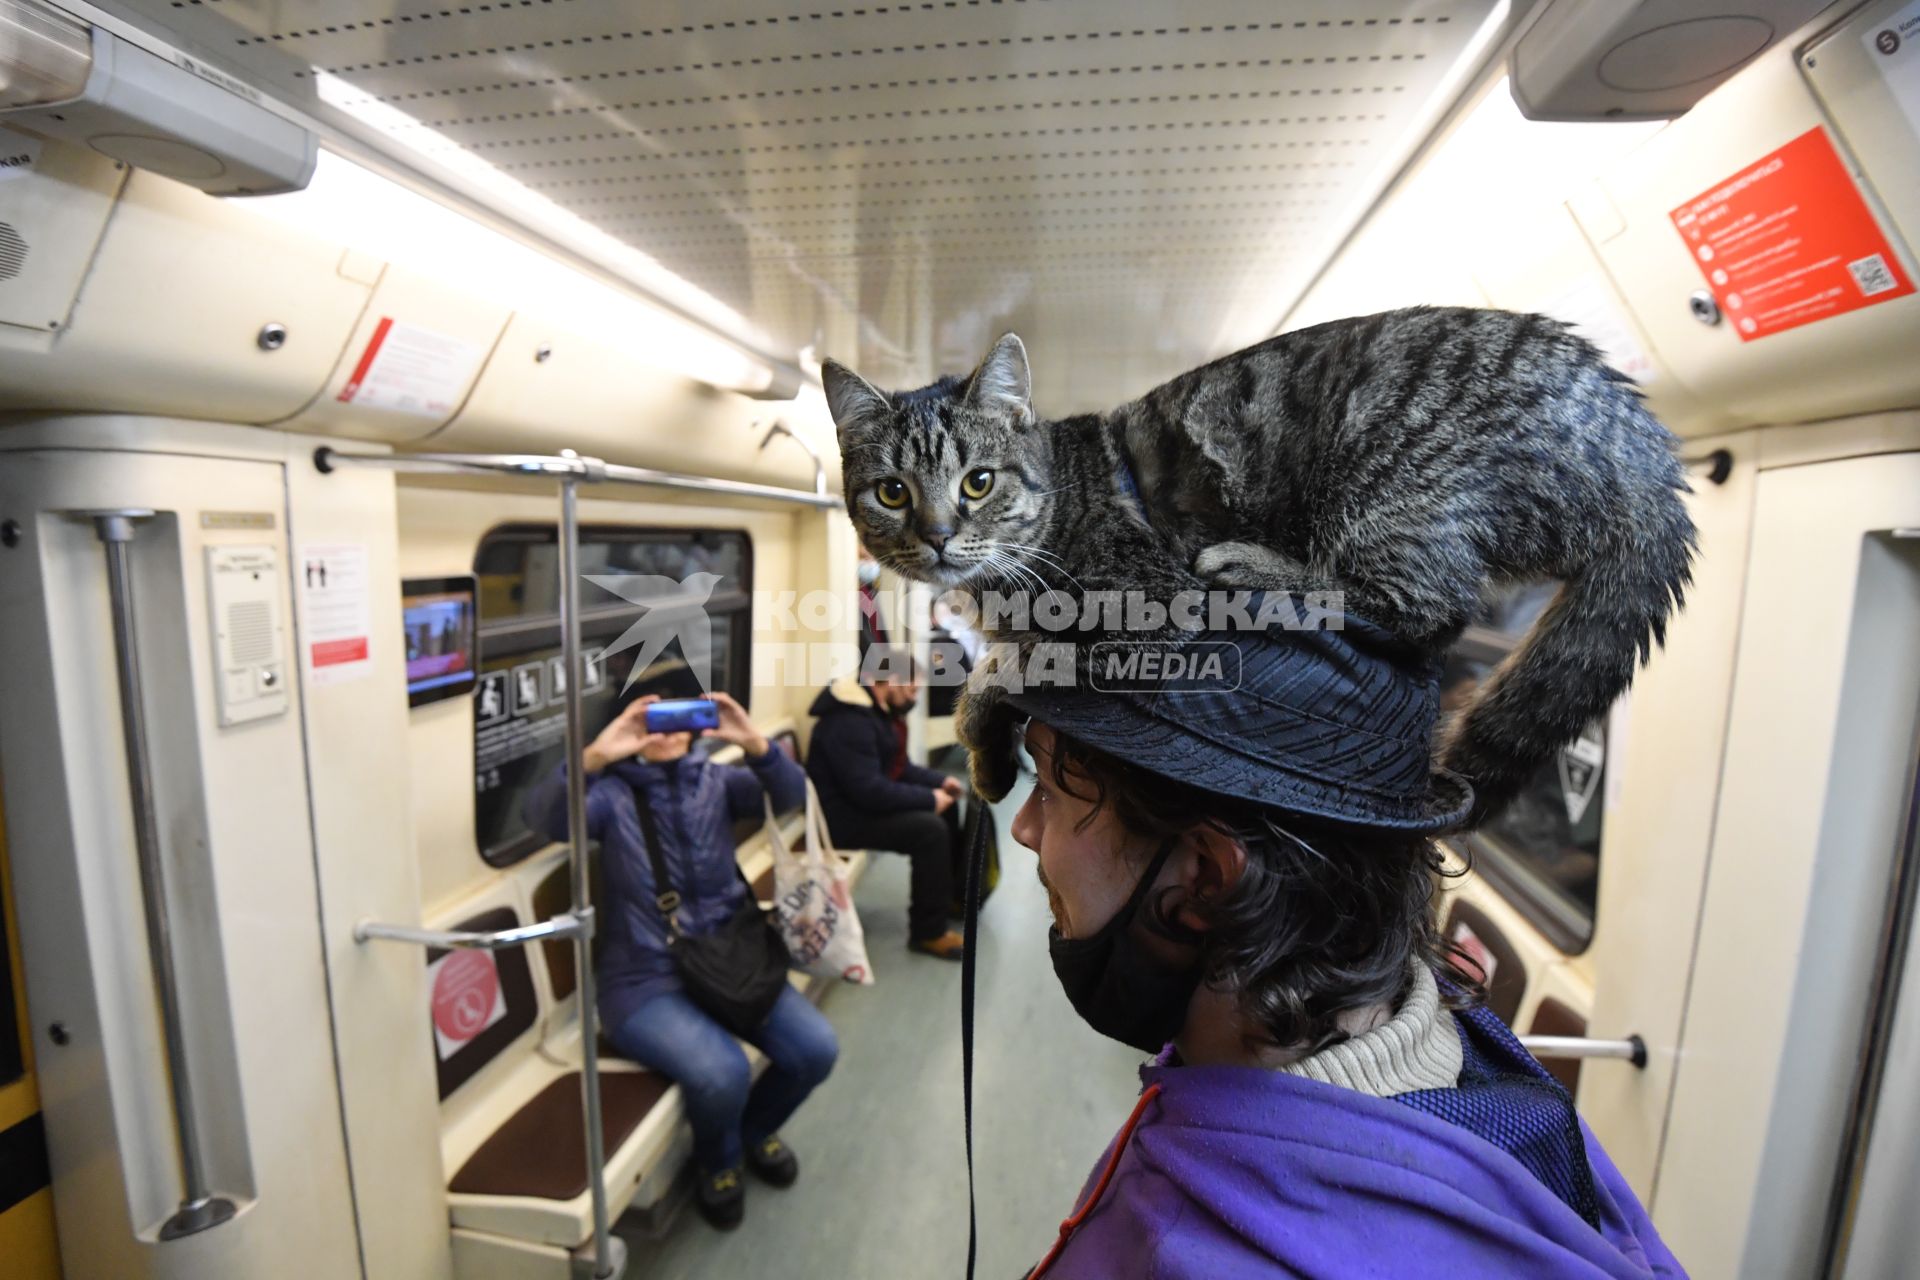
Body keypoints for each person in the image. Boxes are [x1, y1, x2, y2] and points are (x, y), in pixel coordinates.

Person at [984, 611, 1683, 1278]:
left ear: (1202, 878)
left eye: (1047, 788)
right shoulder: (1496, 1083)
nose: (1021, 827)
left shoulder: (1178, 1248)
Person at [524, 691, 838, 1232]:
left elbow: (793, 795)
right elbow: (544, 818)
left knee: (816, 1050)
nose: (666, 731)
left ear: (697, 726)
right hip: (644, 978)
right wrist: (595, 756)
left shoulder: (718, 781)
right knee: (722, 1073)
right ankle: (717, 1164)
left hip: (731, 958)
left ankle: (750, 1133)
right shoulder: (609, 797)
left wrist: (752, 741)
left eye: (678, 718)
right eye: (652, 720)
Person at [807, 651, 969, 960]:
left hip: (859, 806)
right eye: (910, 691)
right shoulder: (849, 721)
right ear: (891, 682)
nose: (912, 699)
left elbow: (900, 768)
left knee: (946, 808)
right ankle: (928, 932)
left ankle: (946, 896)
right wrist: (928, 799)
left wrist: (938, 783)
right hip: (838, 820)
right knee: (929, 830)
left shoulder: (877, 713)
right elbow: (869, 791)